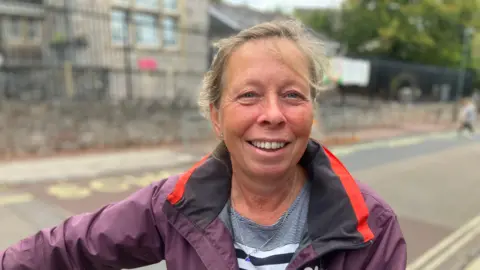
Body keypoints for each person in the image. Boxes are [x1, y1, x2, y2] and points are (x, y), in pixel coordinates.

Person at [0, 20, 406, 270]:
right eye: (248, 96)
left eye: (293, 95)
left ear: (311, 112)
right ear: (216, 116)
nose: (273, 114)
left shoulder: (372, 225)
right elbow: (74, 246)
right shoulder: (175, 204)